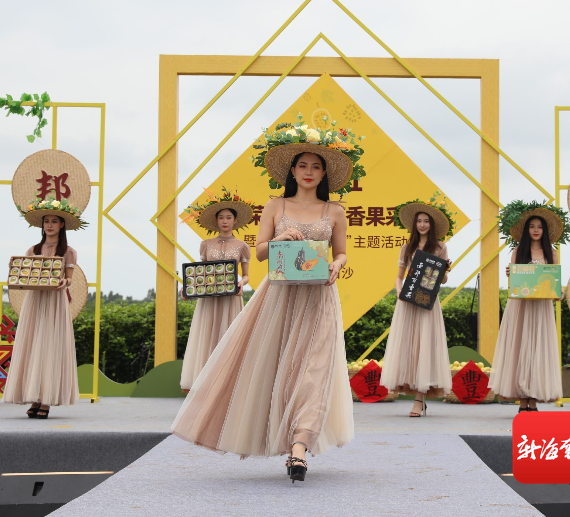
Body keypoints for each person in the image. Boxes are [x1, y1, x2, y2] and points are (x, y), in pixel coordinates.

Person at [172, 118, 364, 482]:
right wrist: (280, 239)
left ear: (324, 174)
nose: (309, 172)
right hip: (280, 296)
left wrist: (337, 265)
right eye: (303, 165)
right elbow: (260, 252)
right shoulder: (276, 206)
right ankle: (283, 438)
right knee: (278, 367)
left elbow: (341, 252)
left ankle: (299, 447)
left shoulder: (335, 211)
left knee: (316, 369)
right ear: (292, 170)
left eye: (316, 166)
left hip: (320, 297)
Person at [3, 196, 87, 419]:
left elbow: (69, 278)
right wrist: (15, 268)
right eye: (46, 221)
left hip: (55, 301)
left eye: (54, 221)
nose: (49, 225)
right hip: (35, 300)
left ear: (62, 224)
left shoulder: (68, 251)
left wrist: (64, 282)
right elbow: (25, 274)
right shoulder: (33, 249)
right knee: (33, 343)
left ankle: (47, 400)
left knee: (50, 344)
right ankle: (35, 397)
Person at [490, 201, 570, 413]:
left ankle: (534, 399)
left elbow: (555, 284)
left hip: (541, 309)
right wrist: (510, 274)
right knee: (519, 348)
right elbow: (514, 283)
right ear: (526, 230)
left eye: (539, 227)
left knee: (538, 350)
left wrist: (559, 293)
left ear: (544, 231)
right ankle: (522, 400)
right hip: (520, 307)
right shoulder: (518, 251)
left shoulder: (552, 253)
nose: (536, 230)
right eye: (532, 226)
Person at [380, 193, 455, 417]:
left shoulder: (440, 247)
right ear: (414, 224)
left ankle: (419, 399)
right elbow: (399, 277)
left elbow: (443, 280)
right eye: (419, 221)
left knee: (424, 346)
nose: (422, 225)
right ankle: (414, 394)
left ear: (432, 225)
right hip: (408, 300)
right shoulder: (406, 247)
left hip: (427, 302)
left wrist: (444, 269)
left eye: (426, 221)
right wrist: (399, 290)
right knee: (409, 347)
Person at [179, 189, 253, 393]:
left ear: (235, 220)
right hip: (208, 298)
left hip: (231, 298)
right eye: (221, 217)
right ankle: (205, 383)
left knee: (229, 335)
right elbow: (200, 272)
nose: (225, 221)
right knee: (207, 335)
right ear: (216, 221)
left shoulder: (242, 246)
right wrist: (187, 287)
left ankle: (227, 383)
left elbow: (246, 275)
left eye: (228, 217)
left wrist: (241, 283)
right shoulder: (206, 244)